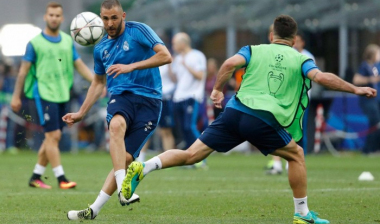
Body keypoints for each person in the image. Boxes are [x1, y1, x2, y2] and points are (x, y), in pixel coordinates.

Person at [122, 15, 376, 224]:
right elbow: (320, 78)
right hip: (262, 119)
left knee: (192, 154)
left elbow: (229, 64)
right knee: (296, 154)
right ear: (295, 39)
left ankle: (145, 167)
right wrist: (355, 89)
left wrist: (217, 90)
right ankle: (302, 213)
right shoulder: (301, 58)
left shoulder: (253, 50)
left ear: (273, 35)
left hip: (235, 111)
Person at [63, 0, 172, 220]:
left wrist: (131, 66)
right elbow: (98, 83)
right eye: (105, 18)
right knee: (116, 124)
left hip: (150, 100)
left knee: (126, 159)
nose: (110, 23)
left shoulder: (138, 30)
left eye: (114, 18)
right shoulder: (101, 48)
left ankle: (94, 209)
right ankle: (124, 188)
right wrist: (81, 112)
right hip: (122, 97)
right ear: (100, 19)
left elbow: (165, 56)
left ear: (123, 16)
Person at [10, 2, 94, 190]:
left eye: (58, 15)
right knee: (53, 135)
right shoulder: (34, 43)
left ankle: (35, 176)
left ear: (62, 19)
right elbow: (23, 72)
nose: (54, 18)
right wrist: (16, 96)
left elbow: (79, 64)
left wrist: (97, 83)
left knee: (52, 139)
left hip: (63, 94)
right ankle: (61, 178)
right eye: (51, 15)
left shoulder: (66, 41)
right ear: (45, 17)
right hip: (43, 94)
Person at [267, 31, 315, 174]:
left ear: (301, 42)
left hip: (299, 101)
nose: (296, 43)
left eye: (299, 41)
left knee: (298, 133)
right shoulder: (287, 55)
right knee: (277, 131)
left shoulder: (307, 57)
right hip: (282, 100)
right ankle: (277, 164)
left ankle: (297, 161)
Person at [170, 32, 207, 150]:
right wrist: (170, 65)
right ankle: (189, 157)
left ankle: (201, 156)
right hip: (178, 96)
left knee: (190, 127)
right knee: (181, 129)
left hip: (192, 96)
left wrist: (186, 65)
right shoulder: (178, 58)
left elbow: (201, 75)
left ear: (183, 43)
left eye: (174, 43)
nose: (173, 46)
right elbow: (175, 79)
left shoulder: (197, 55)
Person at [354, 44, 380, 154]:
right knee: (375, 123)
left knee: (375, 124)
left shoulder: (375, 66)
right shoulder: (365, 66)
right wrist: (372, 79)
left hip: (376, 100)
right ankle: (369, 149)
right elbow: (356, 80)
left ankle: (373, 148)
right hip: (368, 100)